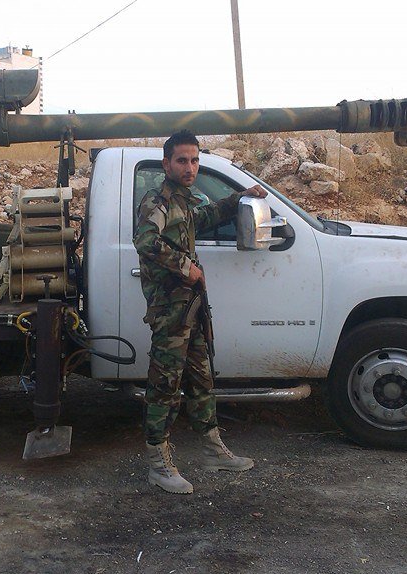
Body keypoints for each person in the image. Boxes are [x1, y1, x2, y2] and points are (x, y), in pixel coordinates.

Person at [133, 130, 267, 494]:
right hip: (169, 311)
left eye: (194, 160)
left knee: (202, 378)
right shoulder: (158, 201)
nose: (190, 167)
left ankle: (212, 449)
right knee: (165, 385)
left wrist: (241, 197)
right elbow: (145, 240)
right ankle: (158, 463)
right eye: (182, 160)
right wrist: (185, 267)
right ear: (167, 164)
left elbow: (205, 216)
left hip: (190, 309)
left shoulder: (183, 203)